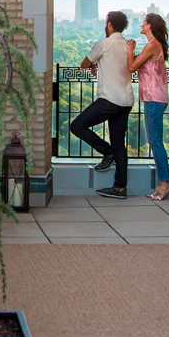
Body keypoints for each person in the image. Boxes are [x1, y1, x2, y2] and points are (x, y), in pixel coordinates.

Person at [70, 11, 135, 199]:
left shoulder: (103, 44)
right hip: (126, 101)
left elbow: (84, 64)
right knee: (119, 144)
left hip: (109, 99)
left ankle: (107, 152)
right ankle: (120, 188)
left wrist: (93, 64)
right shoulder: (127, 45)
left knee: (77, 126)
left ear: (110, 25)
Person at [129, 13, 169, 201]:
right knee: (155, 141)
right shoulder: (154, 46)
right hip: (155, 98)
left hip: (154, 98)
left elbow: (132, 67)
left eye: (144, 22)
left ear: (150, 26)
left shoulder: (152, 46)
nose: (141, 25)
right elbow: (135, 63)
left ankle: (164, 184)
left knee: (155, 142)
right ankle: (163, 183)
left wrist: (130, 49)